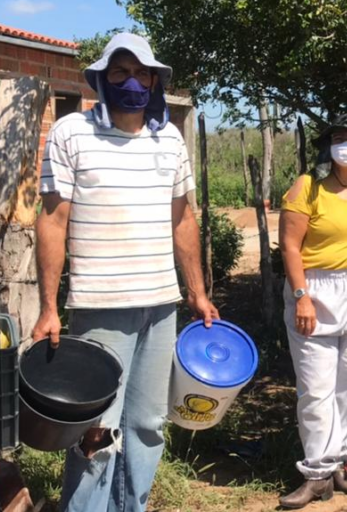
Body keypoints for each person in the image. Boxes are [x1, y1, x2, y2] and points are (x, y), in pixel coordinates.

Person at [33, 32, 218, 512]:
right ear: (102, 79)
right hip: (100, 309)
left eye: (140, 73)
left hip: (160, 306)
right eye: (120, 72)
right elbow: (53, 220)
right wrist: (48, 308)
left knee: (147, 425)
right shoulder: (72, 132)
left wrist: (197, 293)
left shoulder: (169, 138)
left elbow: (183, 219)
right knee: (95, 431)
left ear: (155, 81)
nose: (131, 81)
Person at [277, 113, 347, 508]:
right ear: (327, 145)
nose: (345, 144)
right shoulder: (307, 187)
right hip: (315, 290)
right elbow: (290, 245)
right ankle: (317, 473)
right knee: (316, 388)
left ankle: (337, 460)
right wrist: (302, 294)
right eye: (338, 137)